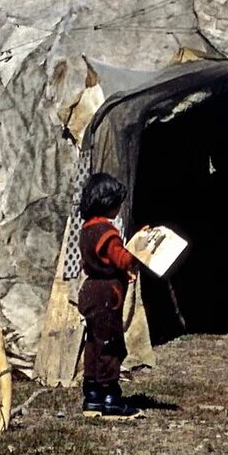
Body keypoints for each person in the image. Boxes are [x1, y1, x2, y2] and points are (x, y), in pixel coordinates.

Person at [77, 172, 144, 418]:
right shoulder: (107, 231)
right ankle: (110, 396)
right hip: (107, 294)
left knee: (94, 342)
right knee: (111, 345)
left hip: (91, 290)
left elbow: (103, 262)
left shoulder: (87, 229)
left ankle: (92, 394)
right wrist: (141, 246)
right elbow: (122, 258)